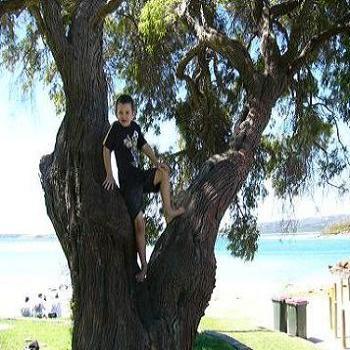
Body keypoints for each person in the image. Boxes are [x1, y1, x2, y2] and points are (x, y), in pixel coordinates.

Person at [102, 94, 185, 282]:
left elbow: (144, 146)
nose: (123, 115)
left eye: (127, 112)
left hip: (140, 176)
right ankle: (144, 266)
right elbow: (106, 149)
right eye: (120, 112)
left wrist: (156, 162)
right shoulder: (115, 129)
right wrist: (109, 174)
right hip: (128, 183)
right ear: (116, 113)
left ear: (133, 113)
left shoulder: (135, 128)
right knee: (140, 225)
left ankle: (168, 211)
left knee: (164, 173)